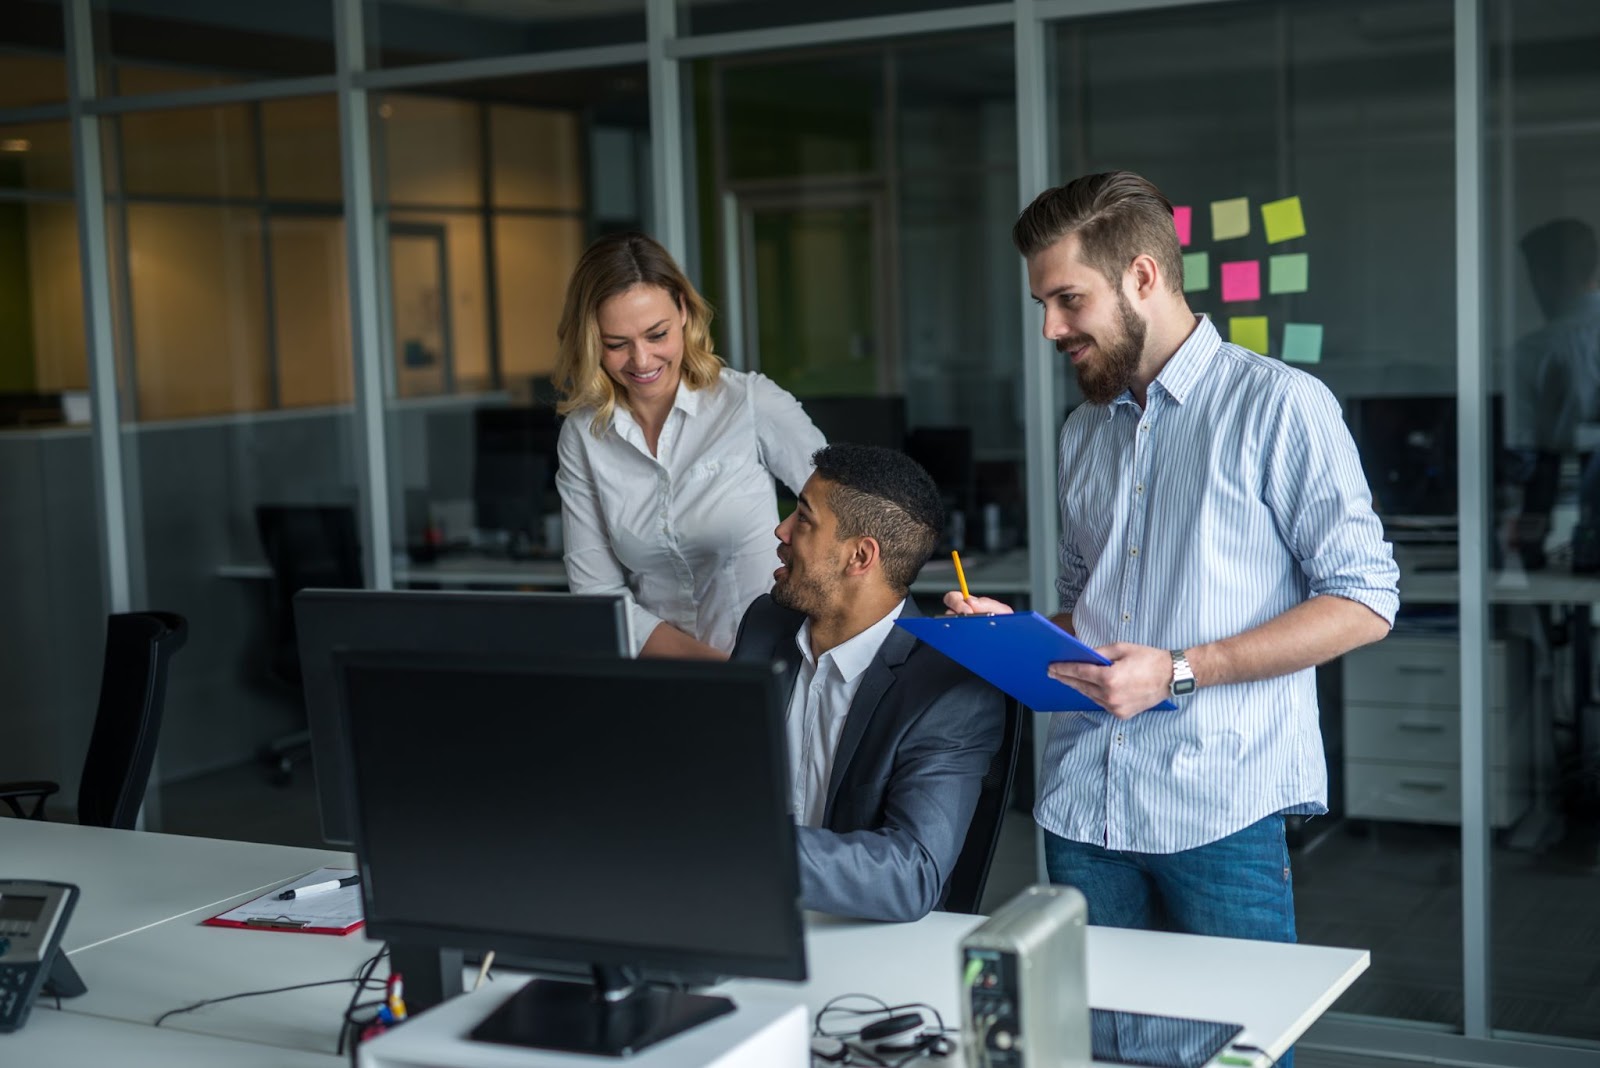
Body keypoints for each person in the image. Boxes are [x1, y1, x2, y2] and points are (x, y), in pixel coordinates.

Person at [946, 172, 1399, 970]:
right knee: (1102, 1043)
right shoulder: (1082, 432)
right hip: (1084, 806)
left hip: (1218, 809)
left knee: (1239, 1048)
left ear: (1142, 277)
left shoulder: (1282, 407)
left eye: (1068, 300)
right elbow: (1090, 617)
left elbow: (1364, 602)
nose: (1050, 328)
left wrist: (1183, 671)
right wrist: (1010, 635)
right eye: (1041, 305)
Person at [732, 443, 1005, 922]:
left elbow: (911, 873)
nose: (781, 531)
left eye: (803, 519)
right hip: (743, 912)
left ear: (859, 556)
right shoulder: (765, 623)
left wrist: (743, 850)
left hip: (862, 941)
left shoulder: (950, 686)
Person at [553, 231, 826, 659]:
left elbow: (845, 515)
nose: (641, 361)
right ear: (591, 342)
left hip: (779, 666)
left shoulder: (749, 403)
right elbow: (598, 594)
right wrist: (721, 673)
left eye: (656, 334)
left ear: (683, 310)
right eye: (617, 344)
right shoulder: (584, 437)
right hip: (665, 679)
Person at [1505, 218, 1600, 570]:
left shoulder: (1535, 352)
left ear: (1543, 277)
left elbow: (1528, 455)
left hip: (1564, 508)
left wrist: (1526, 549)